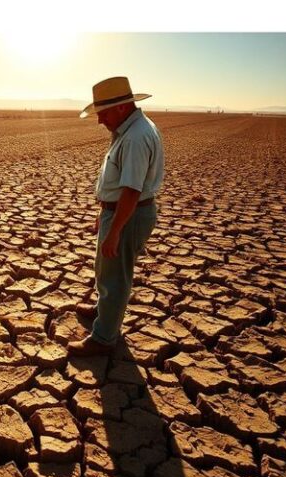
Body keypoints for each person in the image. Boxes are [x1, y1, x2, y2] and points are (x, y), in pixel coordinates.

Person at [67, 76, 164, 357]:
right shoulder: (129, 129)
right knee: (106, 270)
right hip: (119, 212)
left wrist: (115, 229)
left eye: (103, 114)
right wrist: (105, 214)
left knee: (116, 278)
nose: (99, 121)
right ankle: (103, 311)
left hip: (129, 214)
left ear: (122, 108)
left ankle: (104, 338)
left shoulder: (135, 137)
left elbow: (131, 191)